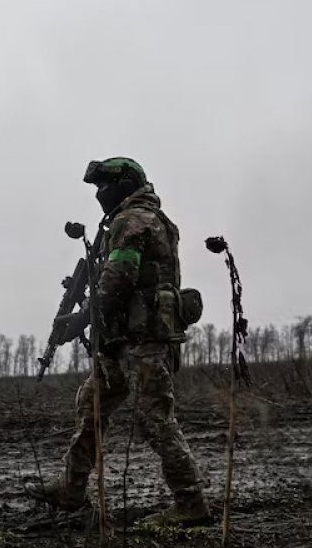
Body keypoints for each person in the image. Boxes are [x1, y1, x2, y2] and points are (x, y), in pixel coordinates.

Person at [26, 157, 211, 527]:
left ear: (125, 184)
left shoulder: (134, 220)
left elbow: (120, 276)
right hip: (122, 339)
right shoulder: (130, 219)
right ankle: (72, 487)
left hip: (143, 341)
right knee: (91, 404)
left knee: (155, 419)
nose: (99, 195)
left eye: (103, 186)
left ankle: (191, 502)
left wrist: (82, 318)